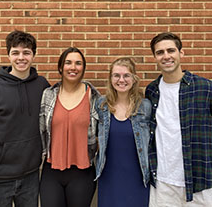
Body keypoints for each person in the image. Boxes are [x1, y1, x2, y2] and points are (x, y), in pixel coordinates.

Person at [0, 30, 50, 207]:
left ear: (33, 55)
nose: (21, 57)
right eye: (16, 52)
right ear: (8, 55)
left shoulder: (42, 86)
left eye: (26, 52)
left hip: (31, 175)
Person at [145, 32, 212, 206]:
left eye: (171, 50)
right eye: (160, 52)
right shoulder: (152, 91)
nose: (166, 56)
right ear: (154, 57)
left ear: (181, 54)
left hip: (201, 182)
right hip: (163, 183)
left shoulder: (205, 88)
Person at [39, 47, 101, 207]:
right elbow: (40, 130)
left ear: (83, 68)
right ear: (60, 67)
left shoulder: (94, 97)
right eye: (68, 63)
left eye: (78, 63)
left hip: (82, 172)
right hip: (51, 170)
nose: (73, 67)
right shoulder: (48, 94)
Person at [95, 57, 151, 207]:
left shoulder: (145, 106)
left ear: (134, 79)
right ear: (110, 78)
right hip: (109, 177)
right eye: (116, 75)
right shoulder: (101, 105)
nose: (121, 80)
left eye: (126, 75)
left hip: (138, 178)